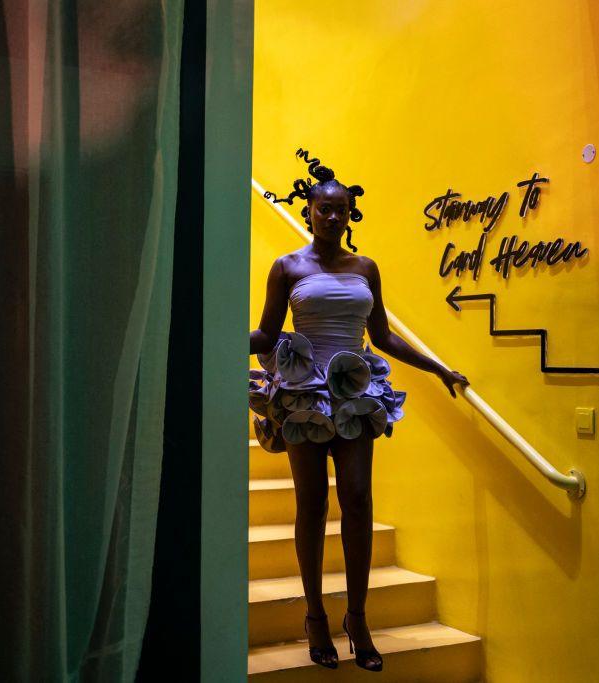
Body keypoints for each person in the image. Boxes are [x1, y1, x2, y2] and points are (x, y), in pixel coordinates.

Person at [248, 150, 469, 671]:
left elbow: (384, 336)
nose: (332, 216)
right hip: (303, 397)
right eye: (324, 209)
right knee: (311, 508)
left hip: (353, 396)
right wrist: (216, 340)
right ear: (309, 212)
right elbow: (266, 331)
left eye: (341, 210)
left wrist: (438, 368)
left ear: (350, 215)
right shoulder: (287, 266)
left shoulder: (365, 268)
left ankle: (359, 617)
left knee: (359, 502)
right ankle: (315, 617)